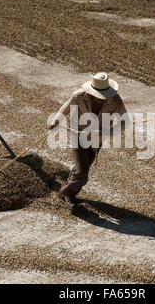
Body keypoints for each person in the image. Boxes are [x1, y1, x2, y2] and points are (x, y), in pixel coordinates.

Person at [49, 72, 130, 210]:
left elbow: (125, 121)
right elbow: (67, 105)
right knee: (82, 171)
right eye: (99, 96)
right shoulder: (79, 96)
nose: (102, 99)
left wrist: (107, 133)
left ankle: (69, 195)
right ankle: (64, 192)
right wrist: (56, 120)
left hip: (96, 141)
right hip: (77, 135)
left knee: (81, 168)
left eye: (104, 96)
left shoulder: (115, 100)